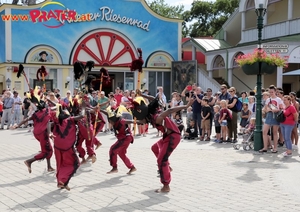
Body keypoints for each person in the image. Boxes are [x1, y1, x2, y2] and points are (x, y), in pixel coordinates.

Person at [144, 94, 194, 193]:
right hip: (167, 136)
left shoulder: (157, 117)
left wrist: (186, 106)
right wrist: (141, 94)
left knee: (161, 160)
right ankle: (167, 166)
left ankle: (166, 185)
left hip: (173, 138)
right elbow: (154, 99)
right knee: (154, 148)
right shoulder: (155, 111)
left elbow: (169, 111)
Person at [13, 99, 55, 173]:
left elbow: (26, 119)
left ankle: (49, 167)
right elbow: (56, 107)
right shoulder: (47, 110)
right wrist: (50, 133)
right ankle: (29, 161)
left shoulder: (36, 113)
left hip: (36, 133)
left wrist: (18, 126)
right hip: (43, 134)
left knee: (49, 149)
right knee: (46, 151)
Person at [48, 106, 84, 191]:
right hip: (67, 147)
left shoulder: (56, 122)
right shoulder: (70, 120)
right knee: (75, 164)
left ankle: (62, 183)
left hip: (57, 146)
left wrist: (49, 133)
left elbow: (49, 123)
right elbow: (82, 116)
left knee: (60, 164)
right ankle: (63, 181)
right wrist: (83, 108)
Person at [102, 106, 137, 175]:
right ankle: (132, 167)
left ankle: (114, 167)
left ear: (113, 120)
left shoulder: (121, 121)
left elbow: (130, 121)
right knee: (121, 153)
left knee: (113, 149)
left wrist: (138, 121)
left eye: (110, 122)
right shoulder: (113, 118)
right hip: (124, 138)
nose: (110, 123)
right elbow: (107, 114)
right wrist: (100, 109)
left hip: (126, 138)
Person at [260, 85, 283, 153]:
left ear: (275, 92)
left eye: (272, 92)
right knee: (264, 131)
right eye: (270, 92)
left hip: (276, 115)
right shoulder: (268, 99)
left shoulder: (279, 100)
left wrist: (276, 110)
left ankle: (275, 148)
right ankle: (265, 147)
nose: (271, 93)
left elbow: (281, 108)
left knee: (275, 132)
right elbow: (266, 108)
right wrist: (268, 110)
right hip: (269, 115)